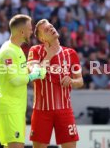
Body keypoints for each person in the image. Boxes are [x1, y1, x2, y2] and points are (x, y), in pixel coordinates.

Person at [27, 19, 84, 148]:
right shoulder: (35, 51)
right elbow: (34, 74)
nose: (51, 29)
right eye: (46, 30)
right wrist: (49, 55)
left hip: (64, 110)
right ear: (42, 38)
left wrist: (72, 81)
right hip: (41, 111)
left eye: (51, 26)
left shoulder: (71, 53)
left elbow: (80, 81)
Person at [0, 14, 46, 148]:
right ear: (22, 31)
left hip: (16, 107)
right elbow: (14, 80)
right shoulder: (8, 52)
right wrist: (34, 75)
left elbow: (20, 73)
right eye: (30, 28)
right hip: (10, 108)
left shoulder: (16, 49)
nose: (32, 32)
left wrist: (34, 69)